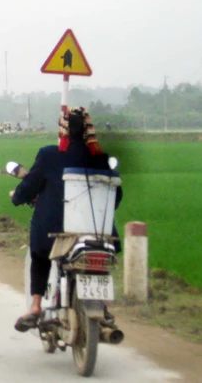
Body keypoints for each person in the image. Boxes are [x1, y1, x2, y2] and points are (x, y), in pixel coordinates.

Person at [8, 107, 122, 332]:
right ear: (89, 130)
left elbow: (30, 185)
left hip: (56, 234)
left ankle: (36, 306)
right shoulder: (101, 158)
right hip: (99, 233)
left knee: (39, 256)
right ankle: (105, 305)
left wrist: (17, 197)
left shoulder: (49, 155)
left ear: (63, 131)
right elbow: (116, 195)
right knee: (100, 263)